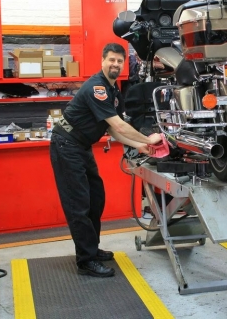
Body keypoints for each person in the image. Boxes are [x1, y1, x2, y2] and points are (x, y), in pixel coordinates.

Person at [50, 43, 162, 278]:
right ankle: (86, 261)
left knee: (95, 199)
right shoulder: (96, 87)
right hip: (66, 146)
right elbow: (121, 125)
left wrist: (139, 145)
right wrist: (148, 139)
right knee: (78, 204)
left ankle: (92, 248)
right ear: (102, 61)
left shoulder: (113, 92)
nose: (115, 64)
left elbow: (113, 130)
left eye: (119, 61)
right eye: (111, 60)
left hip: (81, 146)